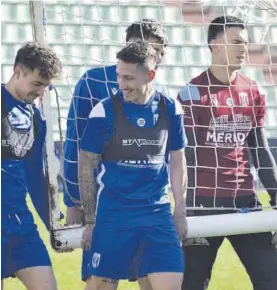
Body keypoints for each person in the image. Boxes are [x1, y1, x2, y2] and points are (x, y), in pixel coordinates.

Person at [178, 15, 277, 290]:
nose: (243, 48)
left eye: (245, 42)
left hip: (245, 202)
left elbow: (259, 148)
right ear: (214, 45)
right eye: (235, 42)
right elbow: (182, 156)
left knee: (271, 279)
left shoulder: (253, 90)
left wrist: (276, 194)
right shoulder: (192, 93)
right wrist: (182, 204)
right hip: (202, 205)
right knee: (193, 283)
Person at [78, 41, 187, 290]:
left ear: (150, 75)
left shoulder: (171, 108)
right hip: (114, 216)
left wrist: (180, 209)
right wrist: (92, 220)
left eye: (129, 78)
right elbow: (86, 167)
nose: (122, 84)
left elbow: (178, 159)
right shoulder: (103, 112)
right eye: (119, 77)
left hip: (156, 215)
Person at [63, 19, 168, 226]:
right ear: (132, 44)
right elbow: (75, 140)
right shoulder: (93, 81)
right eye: (154, 50)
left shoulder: (160, 93)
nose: (159, 57)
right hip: (104, 200)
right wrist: (73, 202)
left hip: (147, 202)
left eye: (162, 52)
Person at [1, 42, 62, 290]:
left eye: (45, 86)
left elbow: (36, 178)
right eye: (36, 84)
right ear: (18, 72)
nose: (40, 92)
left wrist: (52, 226)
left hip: (20, 225)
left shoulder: (36, 119)